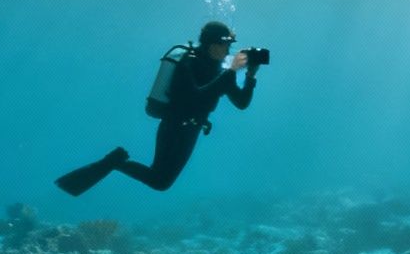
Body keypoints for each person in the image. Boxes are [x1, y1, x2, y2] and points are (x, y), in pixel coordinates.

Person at [56, 21, 258, 195]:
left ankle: (115, 161)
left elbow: (241, 103)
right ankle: (114, 162)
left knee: (160, 182)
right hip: (174, 127)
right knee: (160, 181)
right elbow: (194, 98)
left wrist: (250, 77)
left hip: (192, 130)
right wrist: (228, 74)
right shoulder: (188, 64)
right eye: (226, 45)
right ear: (213, 44)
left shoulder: (219, 70)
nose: (228, 51)